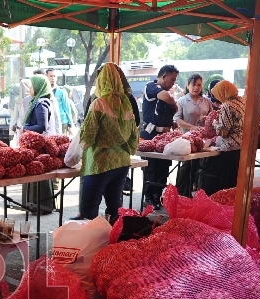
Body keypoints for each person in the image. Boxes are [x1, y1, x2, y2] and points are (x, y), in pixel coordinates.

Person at [77, 63, 138, 221]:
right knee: (114, 207)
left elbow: (87, 137)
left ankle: (91, 243)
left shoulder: (99, 103)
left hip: (100, 163)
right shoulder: (127, 104)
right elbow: (134, 137)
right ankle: (112, 240)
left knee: (89, 208)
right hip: (122, 162)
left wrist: (77, 152)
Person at [140, 64, 179, 209]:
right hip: (151, 135)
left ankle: (158, 195)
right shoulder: (151, 86)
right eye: (172, 79)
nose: (173, 83)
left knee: (164, 168)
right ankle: (149, 197)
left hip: (165, 136)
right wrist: (174, 102)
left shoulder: (167, 93)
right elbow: (166, 97)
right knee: (152, 168)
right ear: (163, 76)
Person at [21, 75, 55, 214]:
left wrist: (25, 129)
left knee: (38, 175)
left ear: (39, 87)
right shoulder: (36, 102)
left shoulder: (41, 103)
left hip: (39, 146)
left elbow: (42, 126)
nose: (30, 88)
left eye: (32, 85)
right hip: (34, 144)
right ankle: (33, 205)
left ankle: (40, 206)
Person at [203, 80, 244, 195]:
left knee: (227, 181)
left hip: (230, 147)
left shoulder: (227, 106)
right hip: (242, 145)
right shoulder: (242, 101)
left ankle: (225, 207)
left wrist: (215, 123)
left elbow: (223, 131)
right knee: (235, 179)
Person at [174, 73, 211, 196]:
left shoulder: (206, 101)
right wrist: (192, 127)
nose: (196, 88)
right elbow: (177, 119)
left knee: (198, 167)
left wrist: (208, 120)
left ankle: (192, 192)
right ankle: (180, 192)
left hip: (203, 140)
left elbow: (213, 117)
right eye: (193, 85)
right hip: (187, 139)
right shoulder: (181, 101)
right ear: (188, 85)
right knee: (186, 166)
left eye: (199, 85)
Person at [47, 68, 73, 134]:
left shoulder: (62, 91)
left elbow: (67, 108)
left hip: (62, 121)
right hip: (49, 122)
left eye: (54, 76)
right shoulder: (45, 91)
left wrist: (70, 124)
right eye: (50, 76)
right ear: (46, 77)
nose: (53, 78)